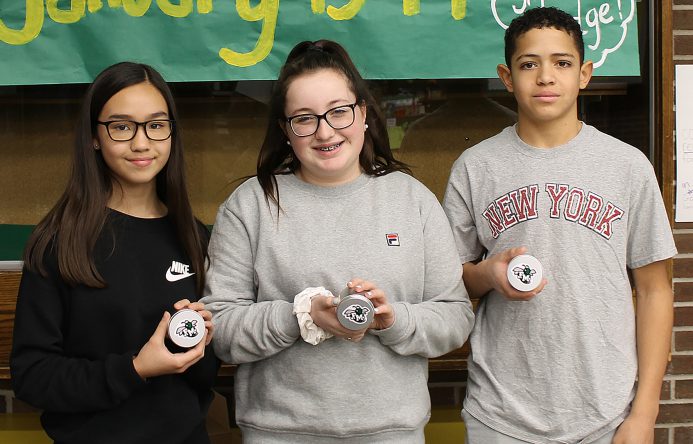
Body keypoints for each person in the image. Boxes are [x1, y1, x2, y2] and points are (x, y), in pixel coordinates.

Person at [201, 39, 474, 443]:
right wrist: (300, 314)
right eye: (305, 119)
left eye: (339, 112)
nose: (325, 132)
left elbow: (455, 317)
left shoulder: (412, 200)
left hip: (392, 431)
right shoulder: (250, 206)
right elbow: (219, 326)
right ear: (285, 129)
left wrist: (393, 318)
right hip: (279, 433)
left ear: (362, 114)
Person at [443, 7, 676, 444]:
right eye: (529, 64)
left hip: (606, 413)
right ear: (507, 77)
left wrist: (644, 413)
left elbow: (654, 289)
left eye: (562, 63)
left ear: (584, 73)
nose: (545, 77)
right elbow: (449, 279)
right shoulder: (476, 168)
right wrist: (487, 274)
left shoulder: (627, 166)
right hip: (501, 413)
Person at [10, 62, 219, 444]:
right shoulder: (59, 240)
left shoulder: (193, 236)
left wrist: (203, 338)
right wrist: (135, 369)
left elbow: (201, 375)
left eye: (156, 125)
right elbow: (33, 376)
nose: (142, 143)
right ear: (94, 136)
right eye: (122, 127)